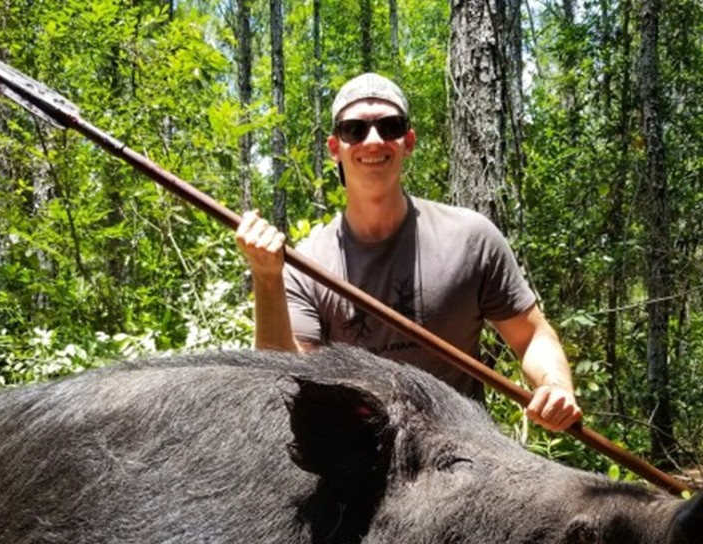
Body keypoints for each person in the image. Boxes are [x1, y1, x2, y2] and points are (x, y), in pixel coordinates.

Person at [235, 72, 581, 432]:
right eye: (355, 130)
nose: (373, 140)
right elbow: (285, 379)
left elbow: (532, 336)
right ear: (335, 148)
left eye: (390, 126)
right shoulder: (306, 264)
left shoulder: (471, 238)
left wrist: (555, 386)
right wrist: (267, 278)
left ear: (408, 141)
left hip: (461, 458)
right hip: (354, 463)